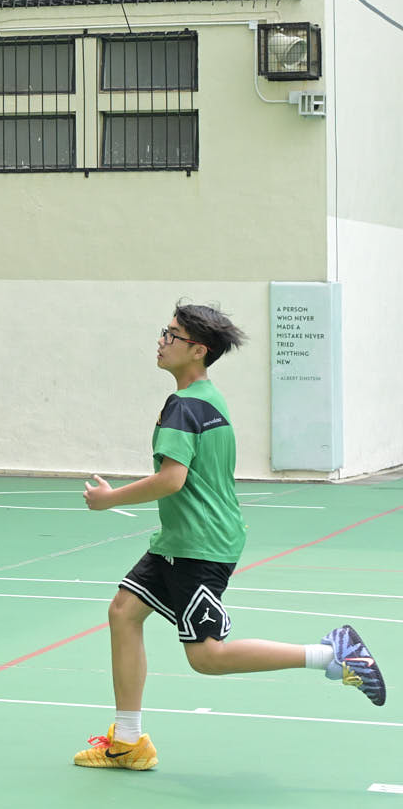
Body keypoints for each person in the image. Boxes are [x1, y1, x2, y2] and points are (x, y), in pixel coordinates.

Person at [72, 305, 385, 772]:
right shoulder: (209, 397)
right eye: (164, 332)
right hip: (178, 540)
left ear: (198, 350)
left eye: (172, 335)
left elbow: (172, 479)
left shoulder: (184, 406)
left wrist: (109, 499)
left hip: (199, 544)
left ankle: (330, 655)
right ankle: (128, 740)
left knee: (206, 656)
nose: (161, 341)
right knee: (124, 612)